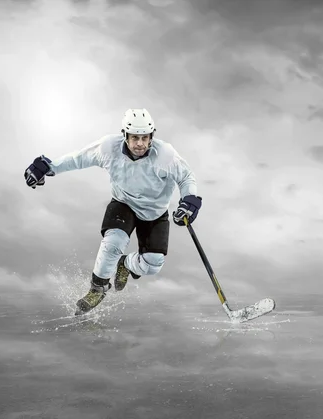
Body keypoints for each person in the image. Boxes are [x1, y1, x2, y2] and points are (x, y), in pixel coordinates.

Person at [23, 108, 202, 315]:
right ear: (124, 135)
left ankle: (125, 263)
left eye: (145, 138)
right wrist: (49, 167)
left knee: (153, 264)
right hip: (123, 203)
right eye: (135, 137)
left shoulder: (166, 155)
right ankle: (97, 288)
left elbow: (186, 177)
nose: (140, 144)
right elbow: (78, 159)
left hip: (155, 212)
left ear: (152, 136)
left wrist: (189, 200)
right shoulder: (109, 148)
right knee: (113, 242)